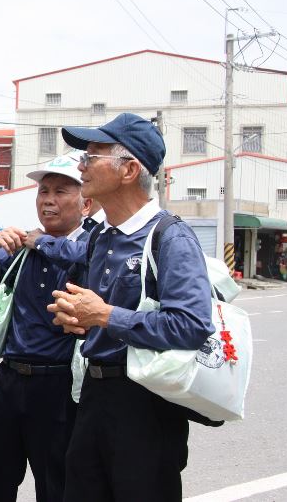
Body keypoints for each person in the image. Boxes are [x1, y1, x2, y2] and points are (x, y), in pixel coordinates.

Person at [45, 113, 214, 502]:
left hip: (146, 403)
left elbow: (191, 326)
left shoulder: (170, 237)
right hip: (93, 395)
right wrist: (78, 319)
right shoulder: (100, 237)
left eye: (92, 155)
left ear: (129, 170)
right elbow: (98, 314)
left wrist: (105, 315)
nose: (82, 166)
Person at [0, 152, 90, 502]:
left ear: (86, 203)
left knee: (56, 485)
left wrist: (42, 242)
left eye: (60, 191)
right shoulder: (22, 248)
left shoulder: (92, 246)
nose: (48, 200)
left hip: (60, 385)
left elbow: (84, 258)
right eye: (43, 191)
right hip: (10, 379)